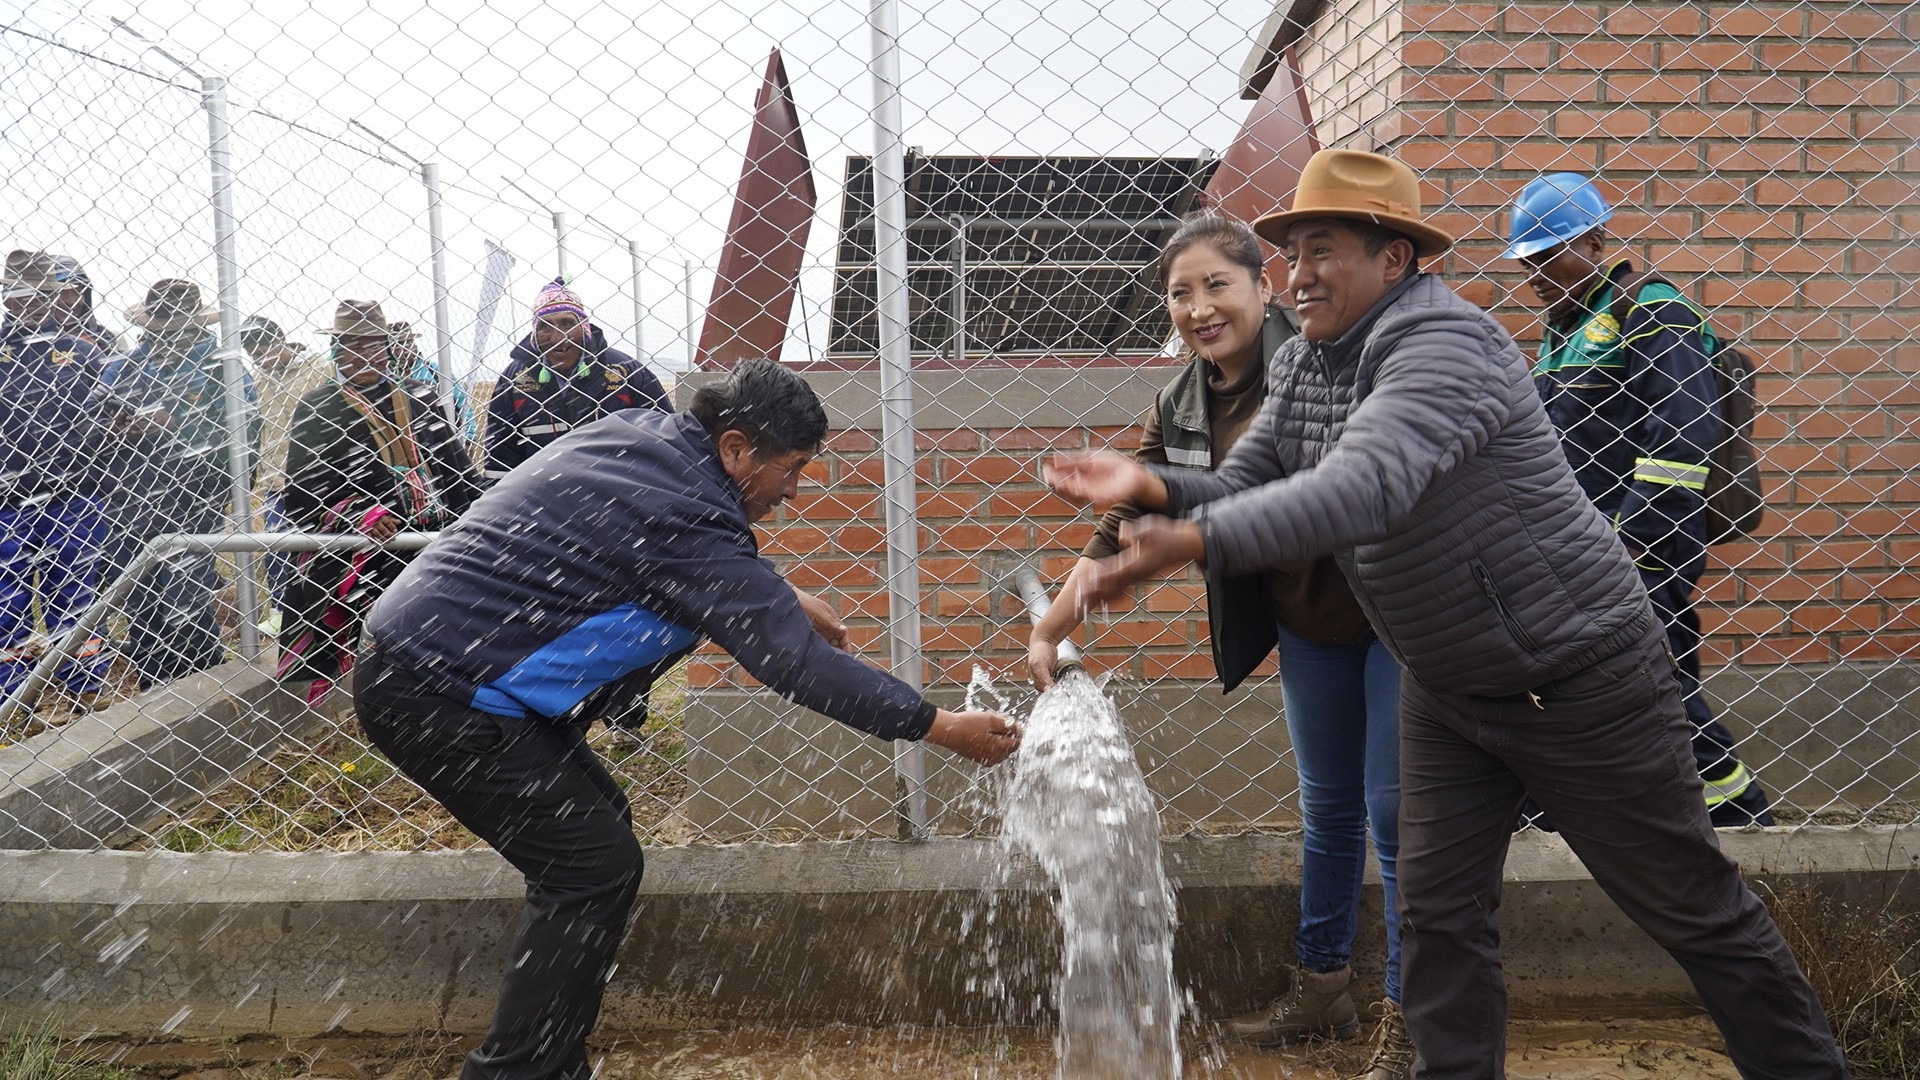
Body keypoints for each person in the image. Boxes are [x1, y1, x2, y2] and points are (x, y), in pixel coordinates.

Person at [1043, 149, 1845, 1079]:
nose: (1299, 275)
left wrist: (1191, 539)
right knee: (1438, 919)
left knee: (1692, 908)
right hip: (1447, 683)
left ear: (1394, 259)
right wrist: (1152, 486)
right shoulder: (1305, 361)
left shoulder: (1447, 345)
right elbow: (1249, 480)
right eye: (1293, 253)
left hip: (1573, 673)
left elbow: (1366, 487)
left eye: (1324, 250)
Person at [354, 358, 1019, 1080]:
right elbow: (795, 663)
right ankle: (519, 1073)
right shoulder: (687, 514)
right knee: (590, 867)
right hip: (440, 689)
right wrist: (938, 725)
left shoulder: (644, 437)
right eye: (791, 468)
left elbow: (660, 549)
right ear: (736, 449)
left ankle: (549, 1057)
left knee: (597, 834)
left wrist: (777, 593)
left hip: (432, 661)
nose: (794, 490)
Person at [1025, 214, 1408, 1067]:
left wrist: (1182, 535)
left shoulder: (1317, 363)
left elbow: (1322, 493)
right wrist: (1052, 626)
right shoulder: (1181, 401)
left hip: (1393, 616)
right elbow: (1130, 512)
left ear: (1263, 287)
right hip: (1308, 623)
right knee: (1329, 809)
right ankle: (1323, 988)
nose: (1199, 308)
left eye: (1217, 285)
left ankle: (1411, 1015)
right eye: (1179, 293)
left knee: (1395, 814)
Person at [1504, 173, 1774, 828]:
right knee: (1587, 690)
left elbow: (1683, 433)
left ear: (1595, 244)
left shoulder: (1651, 310)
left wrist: (1640, 544)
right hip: (1573, 554)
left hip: (1638, 551)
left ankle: (1739, 818)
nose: (1534, 275)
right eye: (1526, 262)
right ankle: (1557, 814)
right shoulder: (1565, 331)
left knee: (1657, 689)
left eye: (1548, 256)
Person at [275, 301, 481, 703]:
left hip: (434, 543)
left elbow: (457, 471)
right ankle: (388, 705)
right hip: (371, 552)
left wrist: (474, 517)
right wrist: (359, 514)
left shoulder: (420, 396)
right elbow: (302, 494)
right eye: (353, 346)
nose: (365, 355)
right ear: (337, 352)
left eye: (374, 345)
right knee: (383, 645)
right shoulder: (320, 408)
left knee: (445, 638)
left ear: (388, 348)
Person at [101, 279, 259, 690]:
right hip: (131, 496)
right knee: (141, 598)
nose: (166, 339)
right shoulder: (124, 367)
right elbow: (93, 422)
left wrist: (178, 428)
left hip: (195, 494)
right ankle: (155, 687)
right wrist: (118, 429)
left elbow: (244, 431)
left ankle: (201, 683)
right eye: (158, 330)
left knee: (186, 594)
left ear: (195, 327)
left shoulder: (221, 365)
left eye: (177, 331)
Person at [0, 250, 114, 705]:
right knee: (5, 602)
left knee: (75, 593)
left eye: (42, 295)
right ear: (7, 300)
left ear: (55, 298)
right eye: (20, 295)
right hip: (6, 500)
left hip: (74, 495)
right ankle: (16, 698)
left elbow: (106, 420)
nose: (31, 304)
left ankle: (86, 688)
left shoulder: (84, 352)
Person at [484, 276, 667, 481]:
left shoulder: (625, 372)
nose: (557, 337)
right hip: (542, 491)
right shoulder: (515, 380)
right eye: (545, 326)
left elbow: (663, 440)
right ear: (534, 334)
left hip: (618, 488)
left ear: (584, 327)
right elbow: (500, 455)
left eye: (567, 323)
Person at [243, 315, 333, 632]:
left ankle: (325, 614)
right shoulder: (256, 380)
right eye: (253, 354)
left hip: (321, 476)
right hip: (277, 480)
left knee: (322, 547)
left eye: (264, 350)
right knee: (276, 547)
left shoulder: (318, 368)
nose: (261, 359)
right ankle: (282, 612)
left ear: (280, 342)